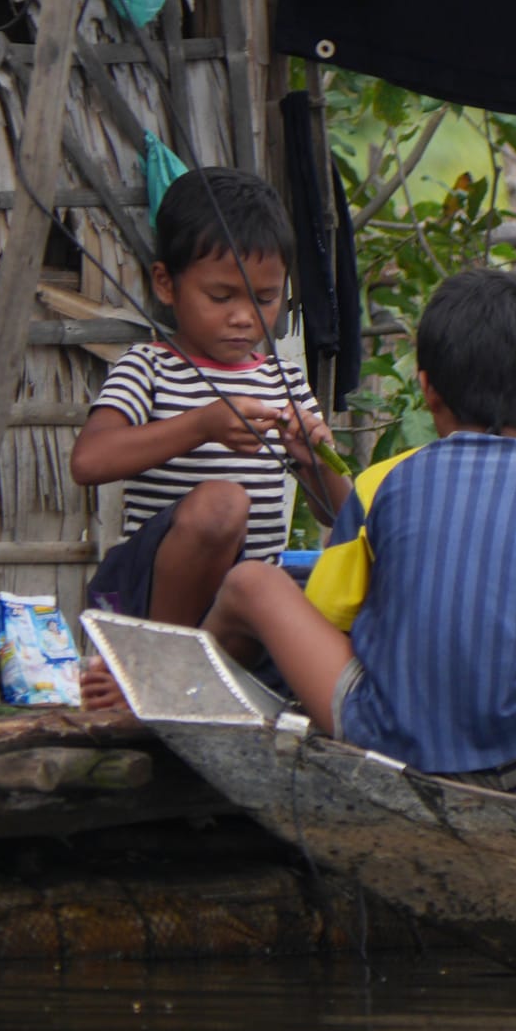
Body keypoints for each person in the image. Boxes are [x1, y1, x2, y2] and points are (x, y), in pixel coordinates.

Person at [202, 267, 516, 794]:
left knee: (253, 583)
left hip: (381, 748)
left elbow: (327, 618)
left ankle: (180, 701)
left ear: (426, 388)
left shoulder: (378, 484)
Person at [71, 167, 352, 709]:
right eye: (221, 296)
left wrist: (313, 458)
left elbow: (340, 516)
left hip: (238, 618)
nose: (245, 318)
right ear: (166, 283)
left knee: (293, 593)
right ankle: (155, 670)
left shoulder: (286, 380)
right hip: (151, 601)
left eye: (266, 299)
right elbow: (90, 460)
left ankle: (193, 679)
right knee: (223, 502)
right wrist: (200, 424)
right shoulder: (149, 368)